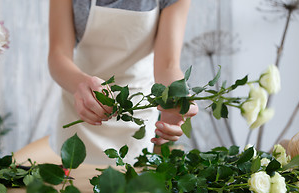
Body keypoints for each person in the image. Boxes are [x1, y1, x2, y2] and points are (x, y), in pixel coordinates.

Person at [48, 0, 198, 165]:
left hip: (136, 119)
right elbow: (58, 55)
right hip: (81, 109)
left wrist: (176, 96)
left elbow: (168, 66)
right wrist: (79, 85)